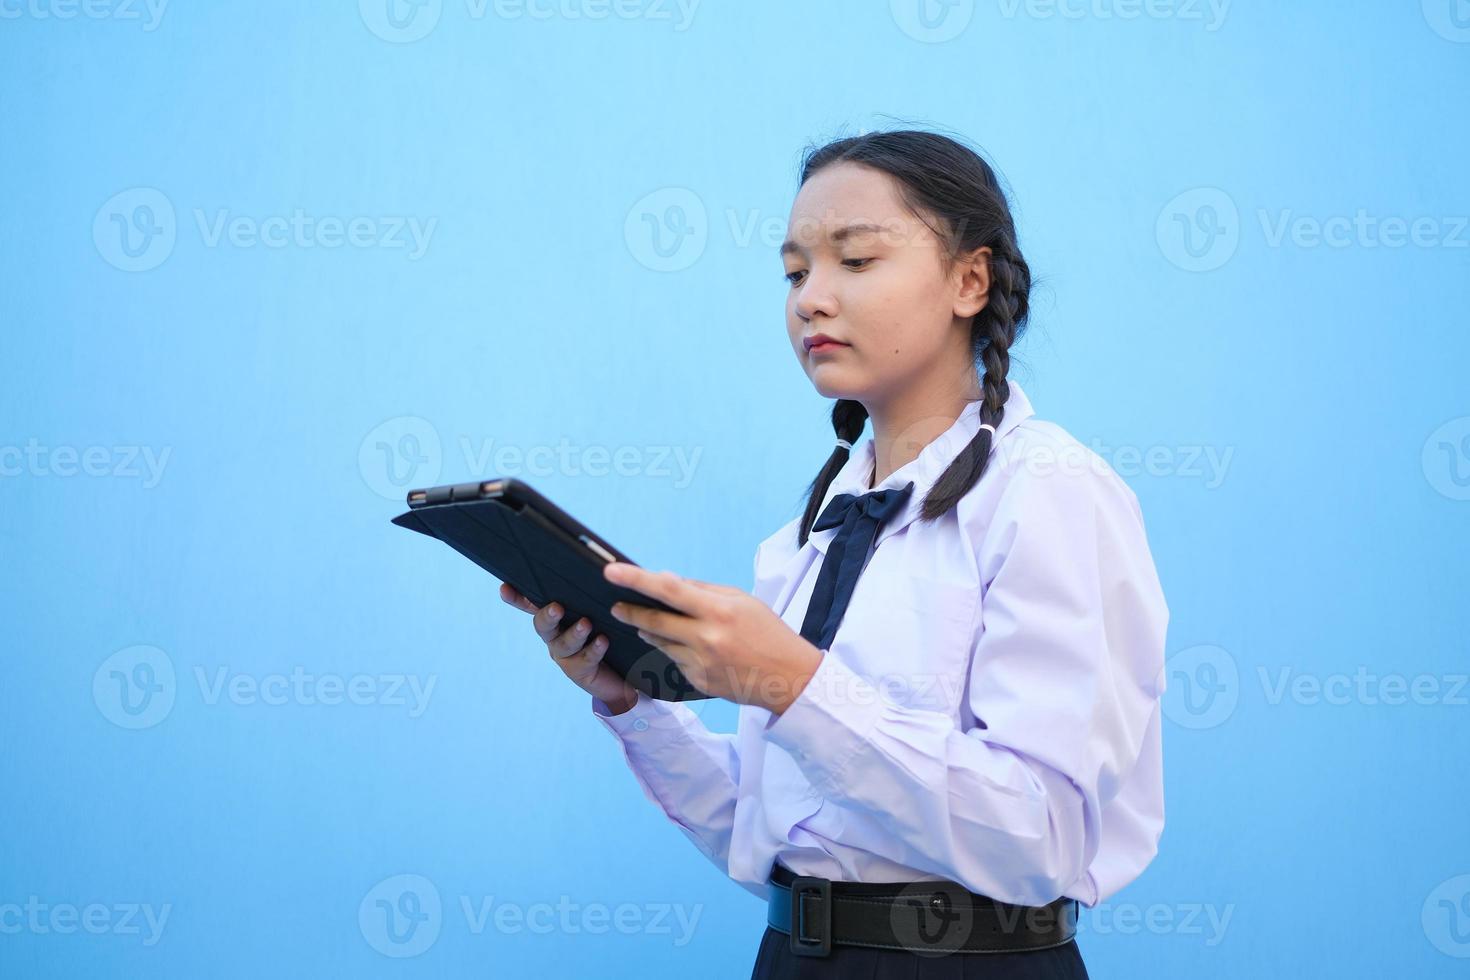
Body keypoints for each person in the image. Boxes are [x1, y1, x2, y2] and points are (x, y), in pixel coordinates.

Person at [499, 128, 1168, 979]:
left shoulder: (1051, 492)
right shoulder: (815, 530)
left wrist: (792, 684)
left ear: (970, 279)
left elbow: (1038, 836)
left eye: (854, 260)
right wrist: (636, 705)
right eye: (794, 271)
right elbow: (776, 835)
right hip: (795, 957)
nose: (811, 298)